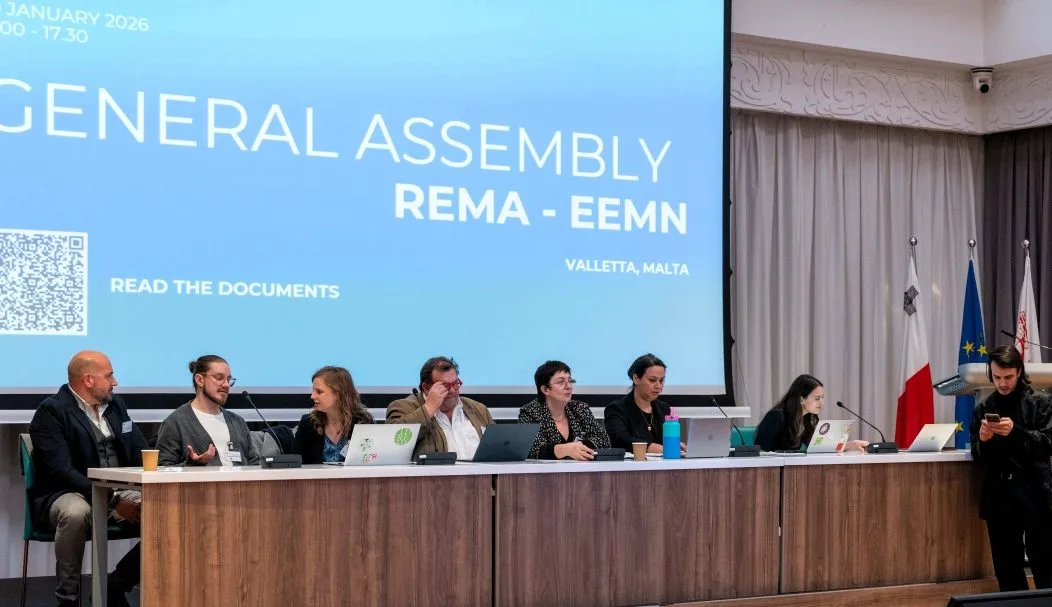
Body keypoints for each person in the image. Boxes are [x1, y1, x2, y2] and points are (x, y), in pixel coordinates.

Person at [28, 351, 145, 607]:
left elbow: (139, 449)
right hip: (68, 492)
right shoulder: (52, 411)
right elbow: (62, 471)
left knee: (164, 513)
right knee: (76, 514)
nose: (115, 382)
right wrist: (114, 501)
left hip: (117, 490)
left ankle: (115, 586)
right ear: (88, 380)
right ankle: (68, 599)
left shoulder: (116, 406)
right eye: (109, 376)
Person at [970, 345, 1052, 591]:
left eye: (1008, 377)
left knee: (1045, 564)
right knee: (1007, 568)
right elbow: (978, 456)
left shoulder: (1041, 403)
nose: (1002, 383)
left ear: (1019, 372)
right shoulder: (984, 408)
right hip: (999, 496)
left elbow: (1048, 443)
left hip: (1035, 493)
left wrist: (1015, 432)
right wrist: (983, 440)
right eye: (996, 377)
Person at [156, 355, 259, 467]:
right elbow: (163, 468)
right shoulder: (175, 422)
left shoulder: (238, 422)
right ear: (200, 380)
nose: (226, 385)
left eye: (229, 380)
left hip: (240, 479)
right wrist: (192, 464)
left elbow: (254, 464)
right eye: (219, 378)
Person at [387, 356, 494, 459]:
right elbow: (392, 442)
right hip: (434, 472)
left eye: (455, 384)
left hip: (482, 472)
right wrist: (429, 408)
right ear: (426, 388)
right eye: (445, 386)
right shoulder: (403, 407)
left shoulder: (479, 409)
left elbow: (497, 448)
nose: (452, 390)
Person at [518, 361, 610, 460]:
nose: (568, 386)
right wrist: (566, 449)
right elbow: (533, 449)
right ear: (545, 390)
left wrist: (576, 447)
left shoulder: (579, 408)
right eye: (561, 382)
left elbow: (604, 440)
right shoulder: (530, 412)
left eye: (570, 381)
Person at [754, 374, 867, 452]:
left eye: (822, 397)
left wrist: (849, 445)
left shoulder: (805, 419)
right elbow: (759, 451)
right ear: (801, 400)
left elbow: (818, 447)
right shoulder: (777, 416)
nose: (822, 403)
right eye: (817, 398)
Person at [292, 366, 374, 464]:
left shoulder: (363, 422)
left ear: (339, 394)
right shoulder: (308, 423)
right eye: (313, 391)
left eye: (319, 392)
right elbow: (294, 463)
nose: (312, 396)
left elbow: (373, 461)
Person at [604, 354, 683, 455]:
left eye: (661, 380)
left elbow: (665, 441)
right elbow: (620, 439)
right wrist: (649, 447)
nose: (658, 386)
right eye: (652, 380)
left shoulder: (664, 408)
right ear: (636, 378)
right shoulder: (616, 409)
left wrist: (674, 445)